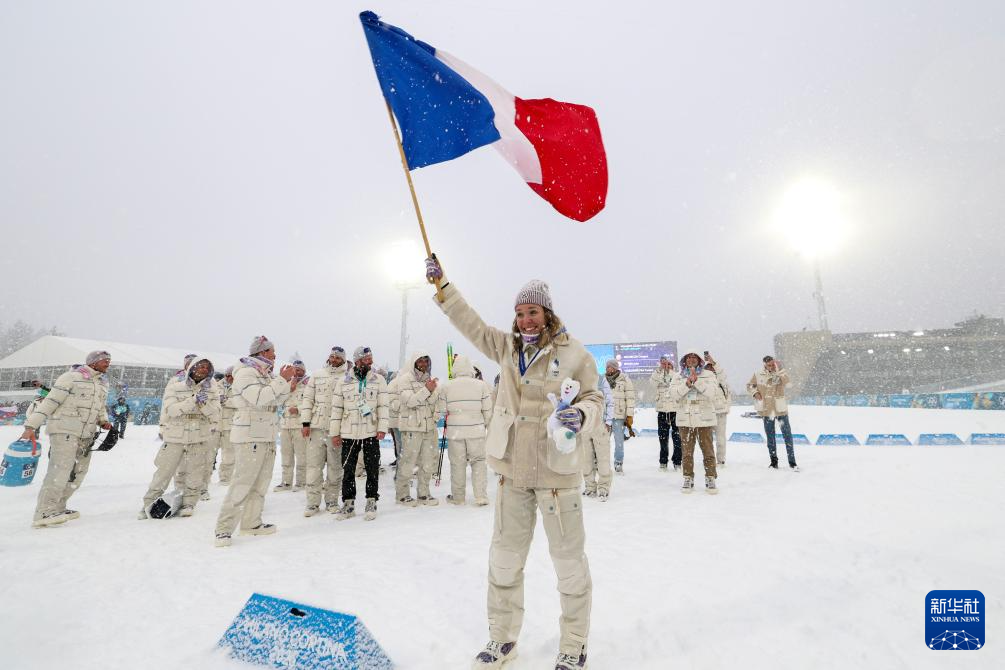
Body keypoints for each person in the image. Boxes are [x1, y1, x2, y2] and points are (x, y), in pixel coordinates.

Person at [426, 258, 602, 670]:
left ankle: (574, 644)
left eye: (532, 312)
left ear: (548, 313)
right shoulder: (506, 347)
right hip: (512, 474)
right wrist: (443, 285)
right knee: (504, 563)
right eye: (520, 313)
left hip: (557, 476)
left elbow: (594, 398)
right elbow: (470, 323)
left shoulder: (574, 353)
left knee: (569, 565)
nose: (525, 320)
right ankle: (502, 640)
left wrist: (581, 415)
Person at [214, 336, 295, 547]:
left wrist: (288, 386)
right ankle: (223, 529)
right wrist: (281, 380)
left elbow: (274, 400)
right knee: (242, 483)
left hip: (266, 433)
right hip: (250, 435)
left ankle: (251, 523)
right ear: (262, 352)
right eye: (272, 351)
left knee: (260, 483)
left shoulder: (265, 374)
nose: (275, 355)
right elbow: (258, 398)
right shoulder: (246, 372)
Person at [21, 350, 113, 527]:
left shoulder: (101, 383)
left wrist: (104, 421)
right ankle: (44, 512)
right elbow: (50, 402)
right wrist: (31, 426)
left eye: (109, 360)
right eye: (104, 360)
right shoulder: (70, 377)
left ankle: (58, 507)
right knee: (60, 472)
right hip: (64, 431)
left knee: (78, 473)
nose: (108, 363)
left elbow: (100, 407)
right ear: (93, 362)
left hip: (86, 435)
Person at [140, 357, 221, 518]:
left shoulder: (212, 390)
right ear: (192, 368)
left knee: (195, 472)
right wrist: (192, 401)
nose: (204, 370)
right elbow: (171, 410)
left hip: (199, 436)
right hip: (175, 436)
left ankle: (189, 503)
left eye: (207, 367)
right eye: (201, 366)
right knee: (164, 471)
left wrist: (204, 404)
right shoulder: (175, 387)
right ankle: (149, 503)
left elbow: (215, 414)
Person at [330, 346, 389, 521]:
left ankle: (371, 501)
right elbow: (337, 409)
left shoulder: (378, 380)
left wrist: (382, 428)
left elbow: (383, 406)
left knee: (372, 468)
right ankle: (348, 504)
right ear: (357, 361)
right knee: (348, 469)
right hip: (349, 433)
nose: (370, 361)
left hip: (371, 431)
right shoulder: (344, 381)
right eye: (366, 359)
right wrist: (335, 433)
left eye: (371, 358)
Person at [436, 354, 493, 506]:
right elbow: (488, 410)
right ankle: (480, 496)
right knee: (479, 462)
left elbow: (442, 410)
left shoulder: (447, 386)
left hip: (455, 433)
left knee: (457, 464)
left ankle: (458, 497)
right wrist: (486, 425)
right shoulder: (481, 386)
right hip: (476, 431)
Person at [300, 346, 349, 516]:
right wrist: (305, 423)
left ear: (343, 360)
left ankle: (332, 501)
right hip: (316, 428)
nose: (334, 360)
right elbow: (308, 399)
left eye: (338, 357)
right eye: (332, 356)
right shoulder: (317, 374)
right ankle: (312, 503)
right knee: (314, 466)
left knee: (335, 468)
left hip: (336, 430)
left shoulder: (347, 377)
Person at [392, 351, 443, 507]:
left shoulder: (428, 379)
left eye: (426, 361)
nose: (423, 364)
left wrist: (434, 391)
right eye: (420, 361)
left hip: (428, 427)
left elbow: (433, 403)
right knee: (408, 462)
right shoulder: (405, 380)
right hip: (412, 427)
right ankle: (402, 495)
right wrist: (427, 389)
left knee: (427, 462)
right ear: (414, 362)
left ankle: (424, 493)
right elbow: (410, 401)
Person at [670, 351, 722, 494]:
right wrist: (687, 383)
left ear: (699, 360)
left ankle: (710, 477)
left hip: (704, 419)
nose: (691, 360)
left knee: (708, 451)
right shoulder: (678, 376)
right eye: (689, 357)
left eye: (694, 357)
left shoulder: (709, 375)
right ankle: (688, 477)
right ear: (684, 360)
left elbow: (712, 393)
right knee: (686, 452)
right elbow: (674, 395)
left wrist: (697, 381)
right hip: (685, 420)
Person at [747, 356, 799, 471]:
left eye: (772, 364)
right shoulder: (758, 374)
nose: (771, 367)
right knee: (770, 437)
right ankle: (773, 462)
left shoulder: (780, 372)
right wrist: (755, 393)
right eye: (768, 365)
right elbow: (749, 385)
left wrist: (779, 370)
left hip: (780, 410)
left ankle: (792, 462)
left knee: (787, 436)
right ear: (764, 364)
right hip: (767, 410)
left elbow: (788, 384)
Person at [581, 373, 614, 500]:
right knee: (586, 460)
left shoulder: (601, 380)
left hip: (600, 425)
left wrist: (608, 422)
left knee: (603, 459)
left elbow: (610, 402)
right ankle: (590, 487)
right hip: (585, 426)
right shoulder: (578, 378)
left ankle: (604, 488)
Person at [276, 360, 308, 492]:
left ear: (303, 371)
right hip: (285, 426)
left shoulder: (308, 385)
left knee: (301, 455)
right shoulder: (285, 385)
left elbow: (310, 404)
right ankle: (286, 482)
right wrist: (289, 388)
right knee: (286, 455)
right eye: (294, 370)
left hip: (299, 425)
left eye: (299, 370)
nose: (296, 372)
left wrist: (298, 409)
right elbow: (278, 401)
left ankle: (301, 482)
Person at [650, 354, 682, 471]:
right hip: (662, 411)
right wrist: (660, 370)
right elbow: (652, 383)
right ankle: (663, 461)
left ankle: (677, 461)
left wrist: (669, 372)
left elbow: (680, 388)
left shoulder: (676, 376)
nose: (666, 366)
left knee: (677, 438)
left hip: (675, 411)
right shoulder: (658, 375)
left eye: (668, 365)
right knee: (663, 438)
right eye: (664, 364)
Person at [606, 359, 635, 474]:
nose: (608, 369)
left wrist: (629, 415)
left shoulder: (624, 379)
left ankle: (618, 462)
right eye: (607, 367)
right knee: (602, 441)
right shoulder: (603, 380)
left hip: (619, 415)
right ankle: (602, 462)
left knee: (619, 441)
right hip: (606, 417)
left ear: (615, 368)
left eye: (610, 367)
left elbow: (630, 398)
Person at [704, 352, 732, 467]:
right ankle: (710, 459)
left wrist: (713, 362)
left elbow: (722, 375)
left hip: (720, 413)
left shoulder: (720, 381)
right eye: (708, 369)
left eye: (712, 368)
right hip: (707, 413)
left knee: (720, 439)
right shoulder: (703, 381)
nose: (711, 370)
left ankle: (721, 460)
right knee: (707, 440)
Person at [215, 366, 238, 484]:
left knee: (228, 453)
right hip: (215, 425)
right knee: (208, 454)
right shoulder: (215, 386)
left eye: (231, 376)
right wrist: (218, 400)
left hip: (230, 425)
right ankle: (203, 479)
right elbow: (211, 400)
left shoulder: (240, 387)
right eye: (227, 375)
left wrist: (225, 401)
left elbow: (241, 402)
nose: (228, 378)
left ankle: (225, 478)